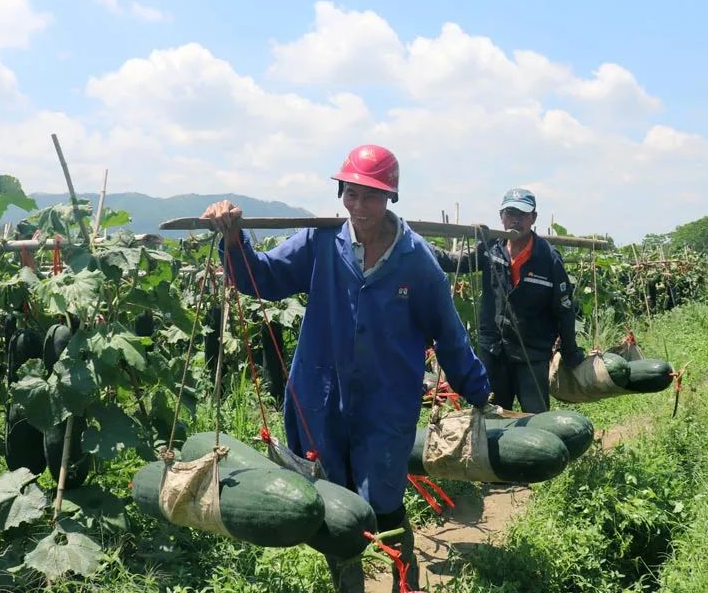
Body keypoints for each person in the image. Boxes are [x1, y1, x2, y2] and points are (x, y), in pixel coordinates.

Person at [203, 144, 491, 593]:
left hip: (386, 405)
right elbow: (264, 277)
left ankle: (404, 581)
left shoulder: (417, 263)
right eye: (350, 194)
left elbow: (449, 334)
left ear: (390, 197)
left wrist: (478, 391)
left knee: (386, 503)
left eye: (370, 196)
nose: (358, 206)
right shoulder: (320, 243)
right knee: (333, 508)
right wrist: (234, 240)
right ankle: (348, 584)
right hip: (320, 399)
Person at [430, 188, 585, 414]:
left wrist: (570, 352)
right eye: (509, 212)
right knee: (494, 415)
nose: (515, 219)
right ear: (501, 216)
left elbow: (564, 309)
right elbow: (457, 263)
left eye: (522, 214)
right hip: (494, 351)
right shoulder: (491, 248)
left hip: (531, 354)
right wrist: (415, 244)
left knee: (536, 417)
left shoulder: (548, 258)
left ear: (533, 218)